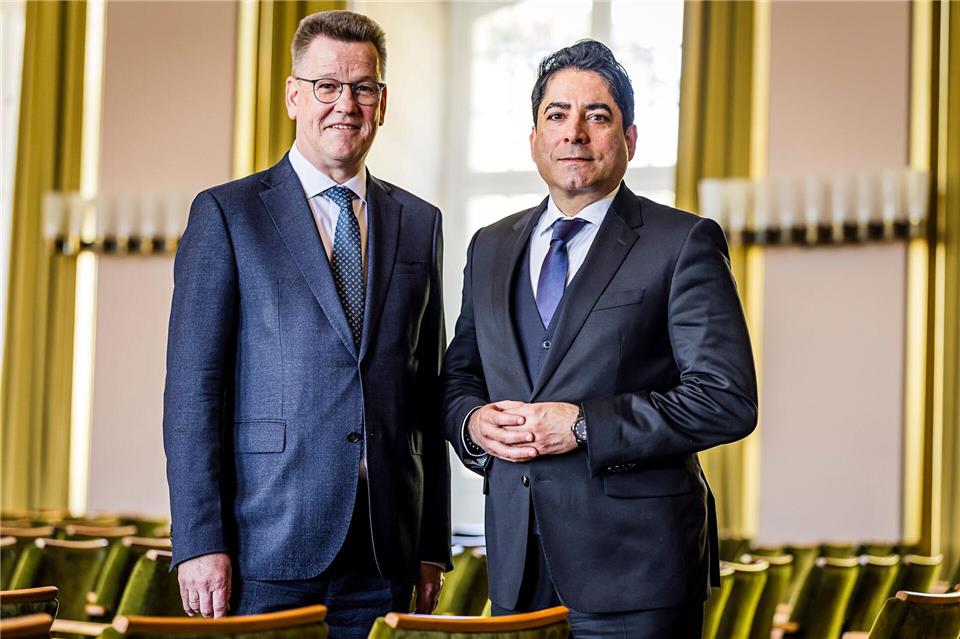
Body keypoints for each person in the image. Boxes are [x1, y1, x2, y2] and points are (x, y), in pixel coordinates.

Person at [442, 40, 758, 638]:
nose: (574, 133)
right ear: (534, 137)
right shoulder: (489, 246)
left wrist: (585, 425)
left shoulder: (681, 242)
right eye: (557, 115)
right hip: (515, 569)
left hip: (638, 574)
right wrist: (472, 424)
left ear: (629, 139)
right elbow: (461, 376)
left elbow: (726, 399)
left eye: (597, 115)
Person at [162, 11, 450, 636]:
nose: (345, 103)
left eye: (363, 87)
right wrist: (198, 540)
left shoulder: (420, 224)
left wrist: (432, 543)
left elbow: (425, 393)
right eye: (327, 86)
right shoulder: (227, 215)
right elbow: (193, 395)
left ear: (382, 101)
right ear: (294, 96)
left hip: (385, 552)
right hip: (264, 546)